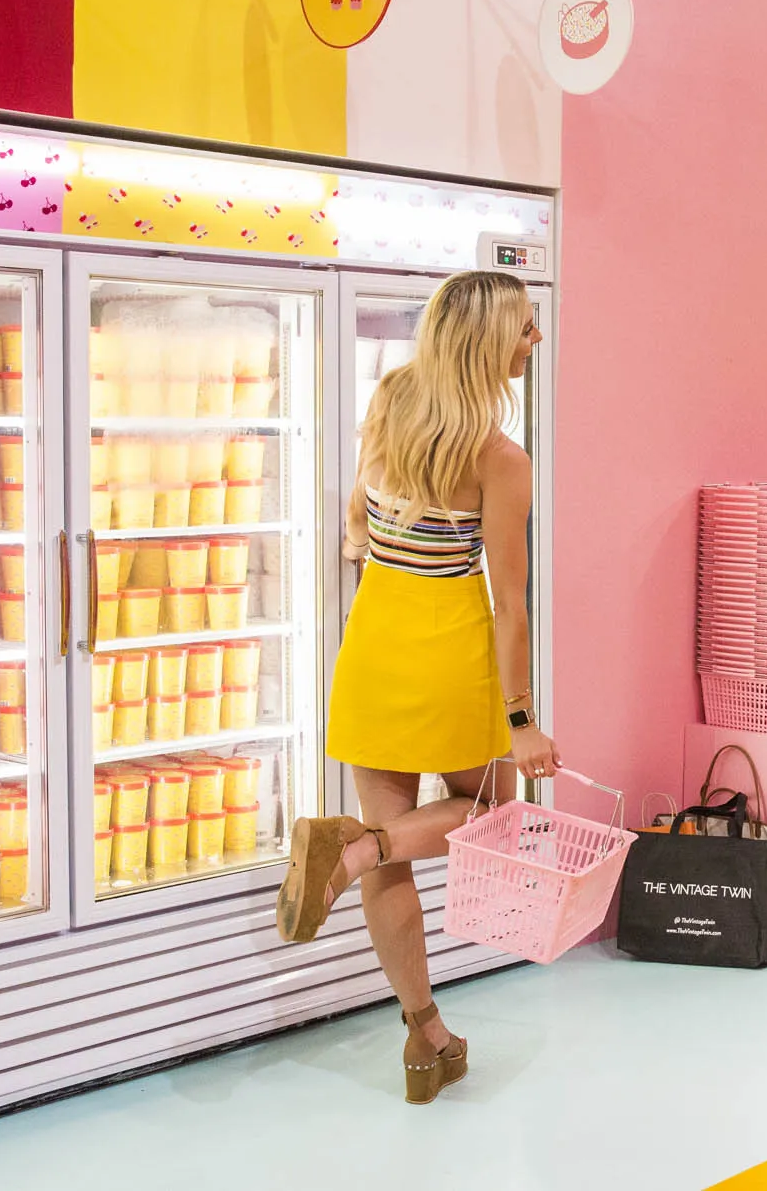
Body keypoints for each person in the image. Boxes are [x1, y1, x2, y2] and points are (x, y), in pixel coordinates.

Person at [274, 269, 558, 1105]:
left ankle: (422, 1030)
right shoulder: (500, 459)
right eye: (525, 329)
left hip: (375, 638)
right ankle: (355, 847)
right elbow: (512, 606)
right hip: (448, 647)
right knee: (489, 815)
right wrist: (522, 720)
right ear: (486, 343)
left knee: (389, 846)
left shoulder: (393, 397)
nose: (533, 342)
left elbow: (360, 517)